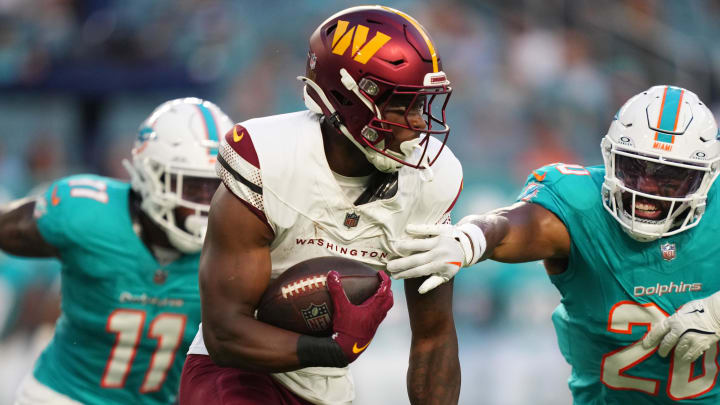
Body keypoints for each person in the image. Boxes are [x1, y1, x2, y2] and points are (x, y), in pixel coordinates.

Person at [179, 5, 464, 405]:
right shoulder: (268, 160)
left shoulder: (431, 180)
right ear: (347, 98)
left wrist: (334, 356)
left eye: (421, 104)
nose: (418, 123)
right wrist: (332, 349)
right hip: (235, 373)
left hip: (326, 388)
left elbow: (434, 337)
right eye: (403, 104)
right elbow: (225, 333)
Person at [387, 85, 720, 403]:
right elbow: (514, 225)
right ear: (610, 157)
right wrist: (471, 238)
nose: (646, 189)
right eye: (634, 169)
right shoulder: (582, 204)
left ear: (706, 178)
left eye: (669, 177)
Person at [0, 97, 233, 405]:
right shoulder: (87, 215)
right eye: (192, 187)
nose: (205, 205)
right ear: (152, 177)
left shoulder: (236, 246)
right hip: (63, 396)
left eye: (215, 189)